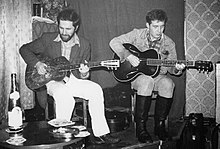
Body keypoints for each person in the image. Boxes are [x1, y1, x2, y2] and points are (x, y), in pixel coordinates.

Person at [19, 8, 120, 144]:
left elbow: (82, 74)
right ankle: (61, 137)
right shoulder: (47, 38)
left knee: (95, 89)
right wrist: (37, 64)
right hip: (50, 80)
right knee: (64, 95)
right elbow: (24, 49)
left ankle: (100, 134)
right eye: (61, 28)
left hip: (71, 78)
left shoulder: (84, 44)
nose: (64, 32)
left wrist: (85, 73)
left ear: (76, 28)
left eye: (68, 29)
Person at [109, 9, 185, 143]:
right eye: (155, 26)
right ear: (147, 25)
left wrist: (177, 69)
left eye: (162, 26)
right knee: (146, 81)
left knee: (168, 84)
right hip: (138, 77)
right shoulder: (137, 34)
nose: (159, 30)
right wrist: (128, 55)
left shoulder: (169, 43)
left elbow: (172, 68)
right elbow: (114, 42)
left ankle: (159, 126)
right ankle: (141, 128)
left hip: (159, 75)